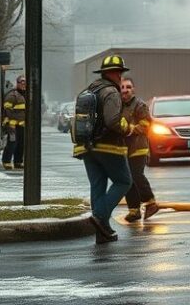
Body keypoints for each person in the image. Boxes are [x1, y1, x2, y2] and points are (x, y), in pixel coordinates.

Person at [73, 54, 133, 244]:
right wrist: (128, 128)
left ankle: (103, 231)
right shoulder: (111, 92)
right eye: (120, 73)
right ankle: (99, 217)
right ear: (115, 73)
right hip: (109, 146)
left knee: (98, 186)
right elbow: (112, 120)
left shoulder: (90, 89)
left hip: (86, 146)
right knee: (124, 181)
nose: (121, 77)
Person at [120, 76, 160, 223]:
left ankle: (150, 203)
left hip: (139, 147)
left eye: (128, 87)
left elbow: (146, 124)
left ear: (133, 89)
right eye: (122, 87)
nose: (125, 90)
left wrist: (131, 129)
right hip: (125, 149)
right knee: (127, 179)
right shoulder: (118, 106)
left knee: (136, 175)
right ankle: (134, 210)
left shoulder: (140, 105)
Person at [1, 75, 26, 170]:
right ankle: (6, 162)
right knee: (12, 143)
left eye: (25, 83)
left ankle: (18, 162)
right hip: (12, 125)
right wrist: (11, 123)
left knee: (21, 144)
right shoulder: (12, 95)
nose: (23, 85)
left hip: (21, 125)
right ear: (18, 83)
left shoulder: (25, 95)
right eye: (21, 83)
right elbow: (7, 110)